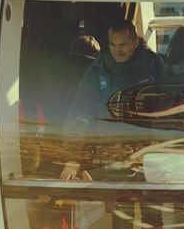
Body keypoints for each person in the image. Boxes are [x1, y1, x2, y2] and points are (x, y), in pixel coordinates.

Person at [62, 19, 165, 180]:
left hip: (147, 155)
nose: (117, 51)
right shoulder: (98, 70)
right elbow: (80, 111)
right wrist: (73, 157)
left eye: (122, 44)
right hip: (108, 153)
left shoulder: (153, 66)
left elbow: (167, 110)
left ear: (135, 42)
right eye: (112, 45)